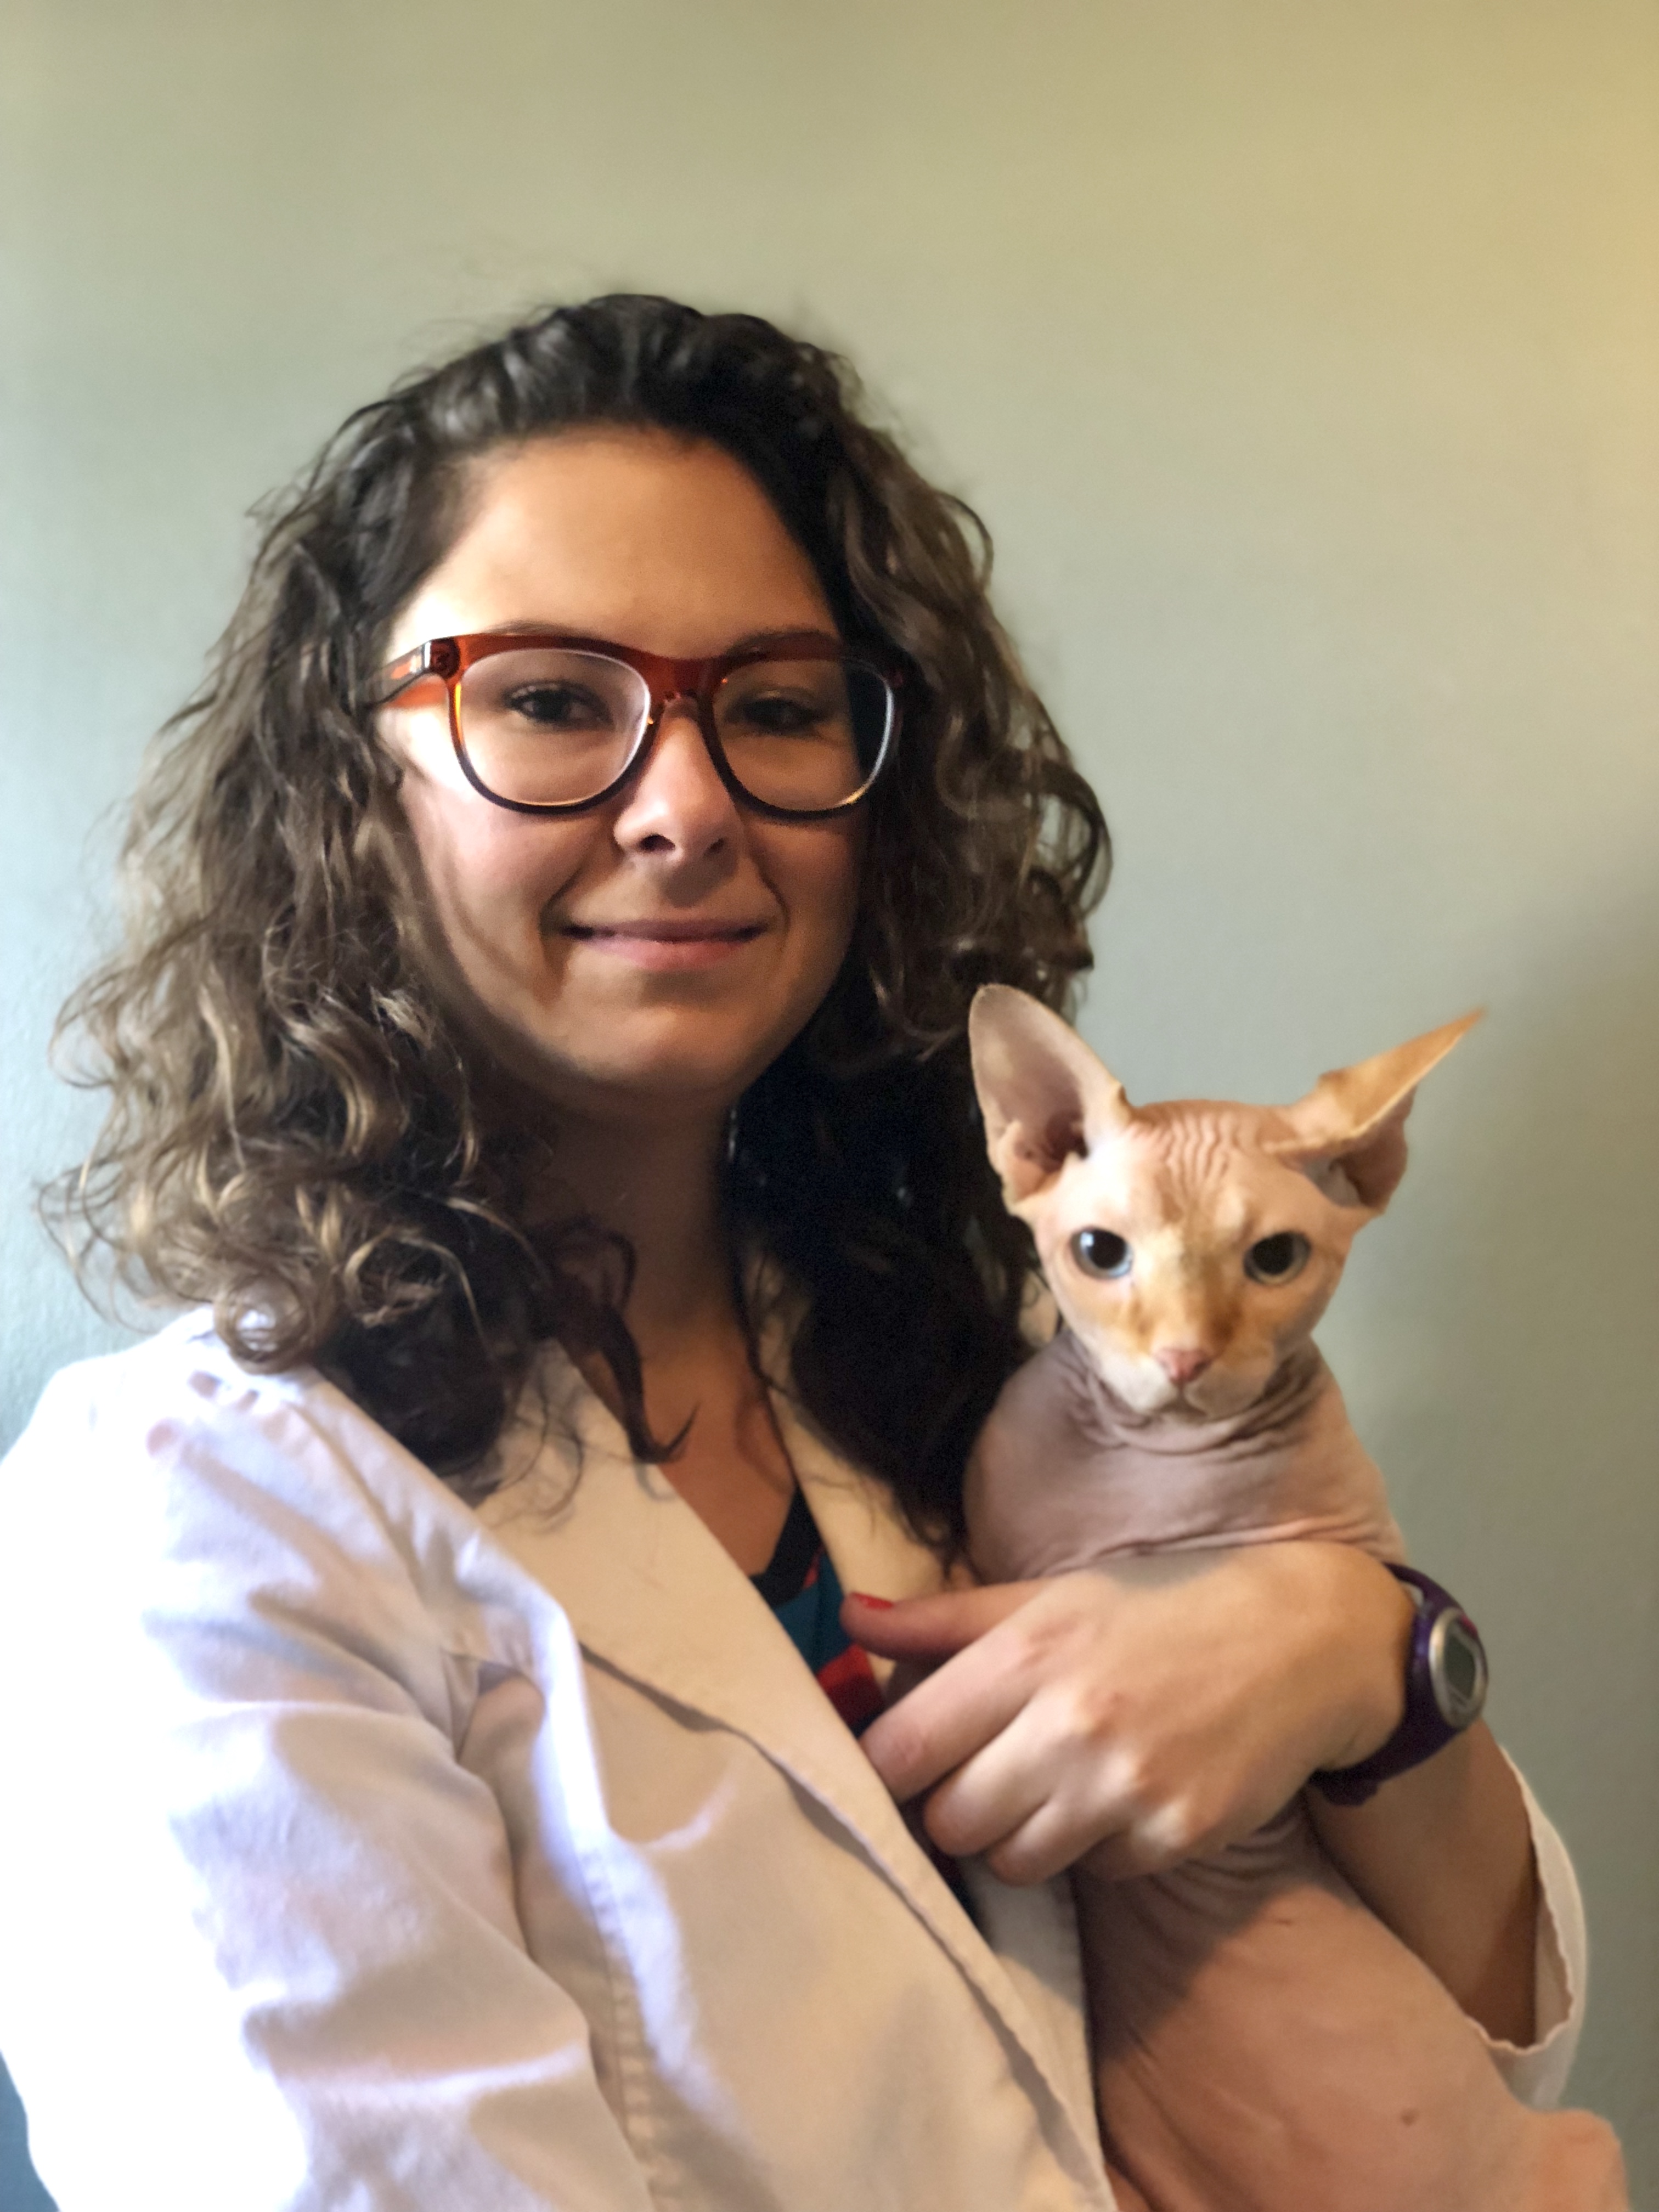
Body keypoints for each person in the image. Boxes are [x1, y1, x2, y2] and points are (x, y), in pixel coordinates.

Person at [0, 296, 1587, 2211]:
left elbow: (1484, 2027)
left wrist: (1367, 1659)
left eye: (773, 707)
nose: (685, 808)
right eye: (553, 700)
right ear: (353, 792)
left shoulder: (946, 1369)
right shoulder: (190, 1522)